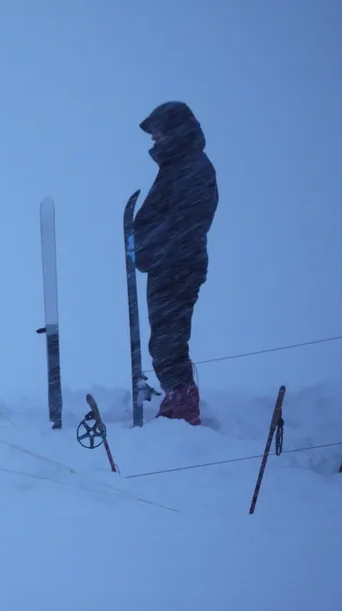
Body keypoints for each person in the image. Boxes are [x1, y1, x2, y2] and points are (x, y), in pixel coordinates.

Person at [133, 101, 218, 426]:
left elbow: (187, 223)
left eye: (158, 132)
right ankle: (177, 399)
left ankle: (182, 406)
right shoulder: (177, 168)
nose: (154, 139)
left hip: (178, 266)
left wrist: (149, 248)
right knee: (165, 337)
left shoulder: (193, 169)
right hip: (169, 265)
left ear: (175, 132)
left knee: (169, 337)